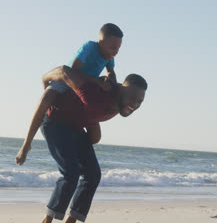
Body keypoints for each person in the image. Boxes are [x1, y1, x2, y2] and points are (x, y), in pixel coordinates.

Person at [31, 65, 147, 223]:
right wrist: (45, 79)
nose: (135, 104)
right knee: (70, 173)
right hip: (55, 121)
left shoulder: (119, 101)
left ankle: (71, 220)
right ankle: (47, 220)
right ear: (121, 89)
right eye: (132, 98)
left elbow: (93, 114)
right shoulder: (96, 94)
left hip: (76, 127)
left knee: (93, 175)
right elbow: (65, 71)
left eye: (140, 101)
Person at [15, 23, 123, 166]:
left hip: (86, 89)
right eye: (113, 47)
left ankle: (74, 144)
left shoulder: (109, 55)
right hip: (66, 80)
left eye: (118, 48)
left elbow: (111, 71)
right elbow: (73, 71)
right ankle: (26, 144)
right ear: (101, 42)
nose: (115, 52)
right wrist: (96, 81)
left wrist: (112, 83)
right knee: (45, 100)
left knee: (96, 137)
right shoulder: (90, 47)